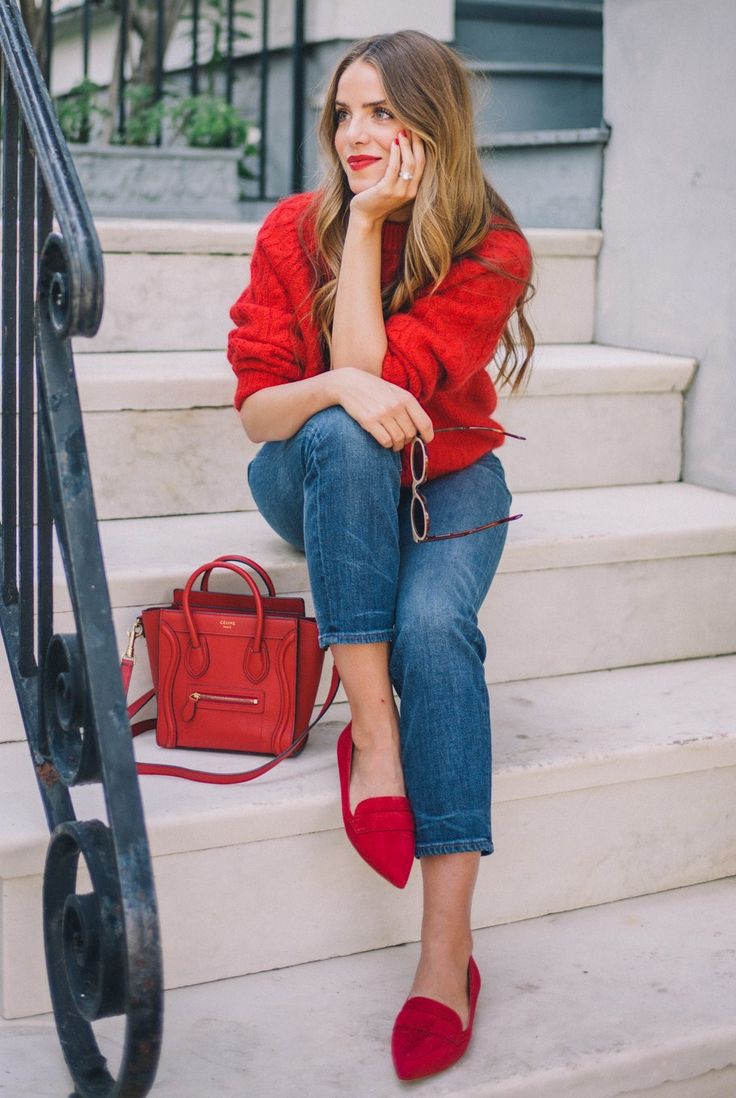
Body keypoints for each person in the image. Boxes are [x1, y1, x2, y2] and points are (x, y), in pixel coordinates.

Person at [227, 28, 535, 1081]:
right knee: (340, 425)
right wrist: (335, 386)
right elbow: (263, 412)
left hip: (450, 476)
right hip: (311, 474)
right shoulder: (288, 232)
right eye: (344, 114)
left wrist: (371, 233)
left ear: (431, 125)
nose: (358, 135)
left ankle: (445, 956)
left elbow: (392, 375)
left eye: (384, 114)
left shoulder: (489, 244)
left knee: (438, 628)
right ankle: (375, 735)